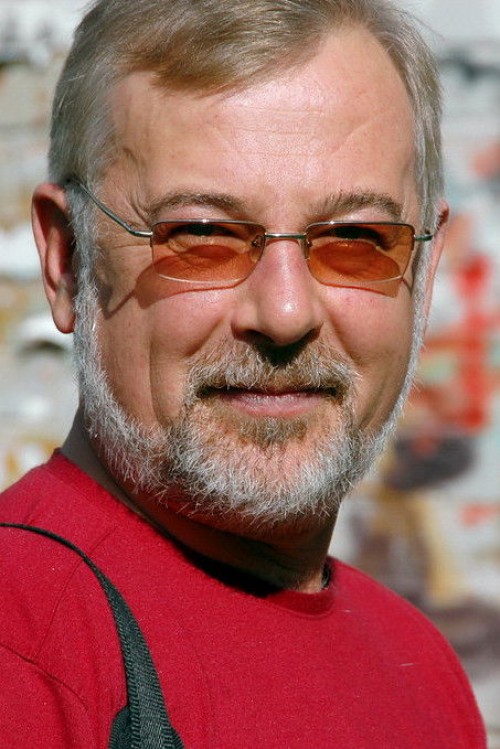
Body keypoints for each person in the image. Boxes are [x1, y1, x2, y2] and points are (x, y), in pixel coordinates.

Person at [0, 0, 487, 746]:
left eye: (356, 238)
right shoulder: (26, 643)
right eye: (201, 234)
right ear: (68, 259)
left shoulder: (419, 666)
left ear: (423, 272)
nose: (286, 313)